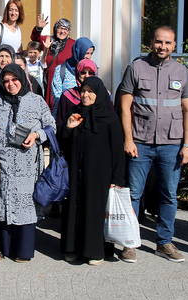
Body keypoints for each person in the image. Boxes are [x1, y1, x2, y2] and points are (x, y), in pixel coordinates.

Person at [117, 25, 188, 263]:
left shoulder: (182, 73)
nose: (163, 46)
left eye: (168, 43)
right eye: (159, 42)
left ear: (174, 46)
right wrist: (128, 139)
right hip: (140, 142)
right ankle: (129, 242)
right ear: (151, 42)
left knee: (169, 195)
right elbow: (124, 105)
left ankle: (164, 242)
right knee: (134, 194)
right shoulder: (136, 68)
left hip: (171, 144)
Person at [0, 64, 55, 262]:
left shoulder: (36, 101)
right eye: (6, 81)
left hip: (26, 166)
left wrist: (37, 134)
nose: (10, 84)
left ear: (22, 78)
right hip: (0, 164)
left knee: (24, 205)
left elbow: (51, 125)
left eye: (14, 79)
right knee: (0, 203)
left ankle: (23, 251)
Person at [58, 77, 125, 265]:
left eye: (90, 91)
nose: (85, 95)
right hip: (75, 172)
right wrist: (67, 129)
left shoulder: (110, 118)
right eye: (83, 91)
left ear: (99, 93)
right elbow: (61, 141)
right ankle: (71, 248)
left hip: (99, 175)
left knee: (94, 211)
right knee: (74, 209)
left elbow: (118, 151)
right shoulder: (74, 112)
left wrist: (117, 179)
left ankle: (95, 251)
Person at [31, 17, 75, 108]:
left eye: (66, 29)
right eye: (60, 28)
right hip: (49, 81)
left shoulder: (73, 44)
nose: (62, 31)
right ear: (55, 28)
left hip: (64, 83)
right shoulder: (49, 40)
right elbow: (35, 38)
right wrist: (38, 28)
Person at [50, 37, 95, 115]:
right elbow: (57, 96)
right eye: (87, 53)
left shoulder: (90, 70)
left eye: (91, 53)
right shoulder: (61, 69)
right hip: (64, 114)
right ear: (78, 51)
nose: (89, 57)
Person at [54, 59, 99, 127]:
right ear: (77, 74)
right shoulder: (67, 95)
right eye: (83, 72)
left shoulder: (103, 95)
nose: (87, 76)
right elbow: (60, 123)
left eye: (91, 73)